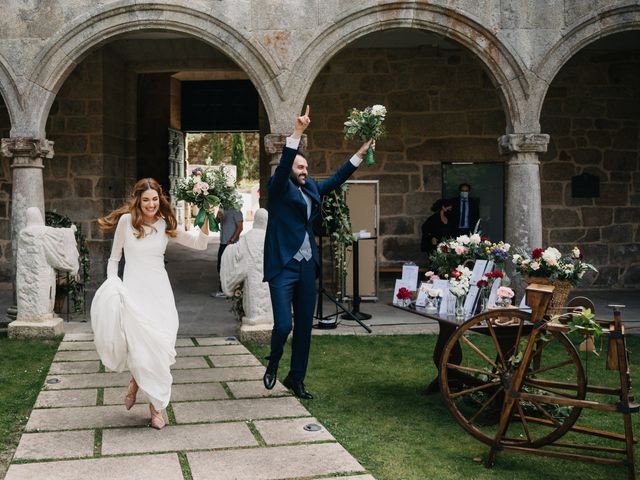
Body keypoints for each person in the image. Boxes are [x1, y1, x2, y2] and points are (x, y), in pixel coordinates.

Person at [262, 105, 373, 399]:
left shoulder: (310, 188)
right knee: (284, 324)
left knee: (304, 330)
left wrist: (359, 155)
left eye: (306, 169)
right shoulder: (278, 188)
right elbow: (285, 165)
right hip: (283, 266)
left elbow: (335, 180)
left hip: (306, 266)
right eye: (300, 168)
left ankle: (296, 378)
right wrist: (297, 133)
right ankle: (273, 361)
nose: (304, 172)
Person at [93, 178, 211, 429]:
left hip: (160, 294)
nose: (151, 204)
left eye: (155, 199)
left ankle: (136, 386)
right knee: (140, 348)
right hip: (134, 293)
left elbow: (200, 245)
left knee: (161, 347)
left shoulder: (166, 224)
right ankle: (156, 411)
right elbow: (114, 259)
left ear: (160, 200)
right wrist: (114, 285)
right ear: (138, 200)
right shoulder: (126, 222)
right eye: (146, 200)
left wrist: (207, 217)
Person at [212, 206, 243, 297]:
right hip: (223, 243)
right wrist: (218, 217)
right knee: (220, 266)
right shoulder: (222, 209)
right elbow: (216, 223)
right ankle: (225, 290)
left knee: (228, 267)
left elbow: (240, 227)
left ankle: (225, 291)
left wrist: (232, 240)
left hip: (231, 244)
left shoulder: (236, 210)